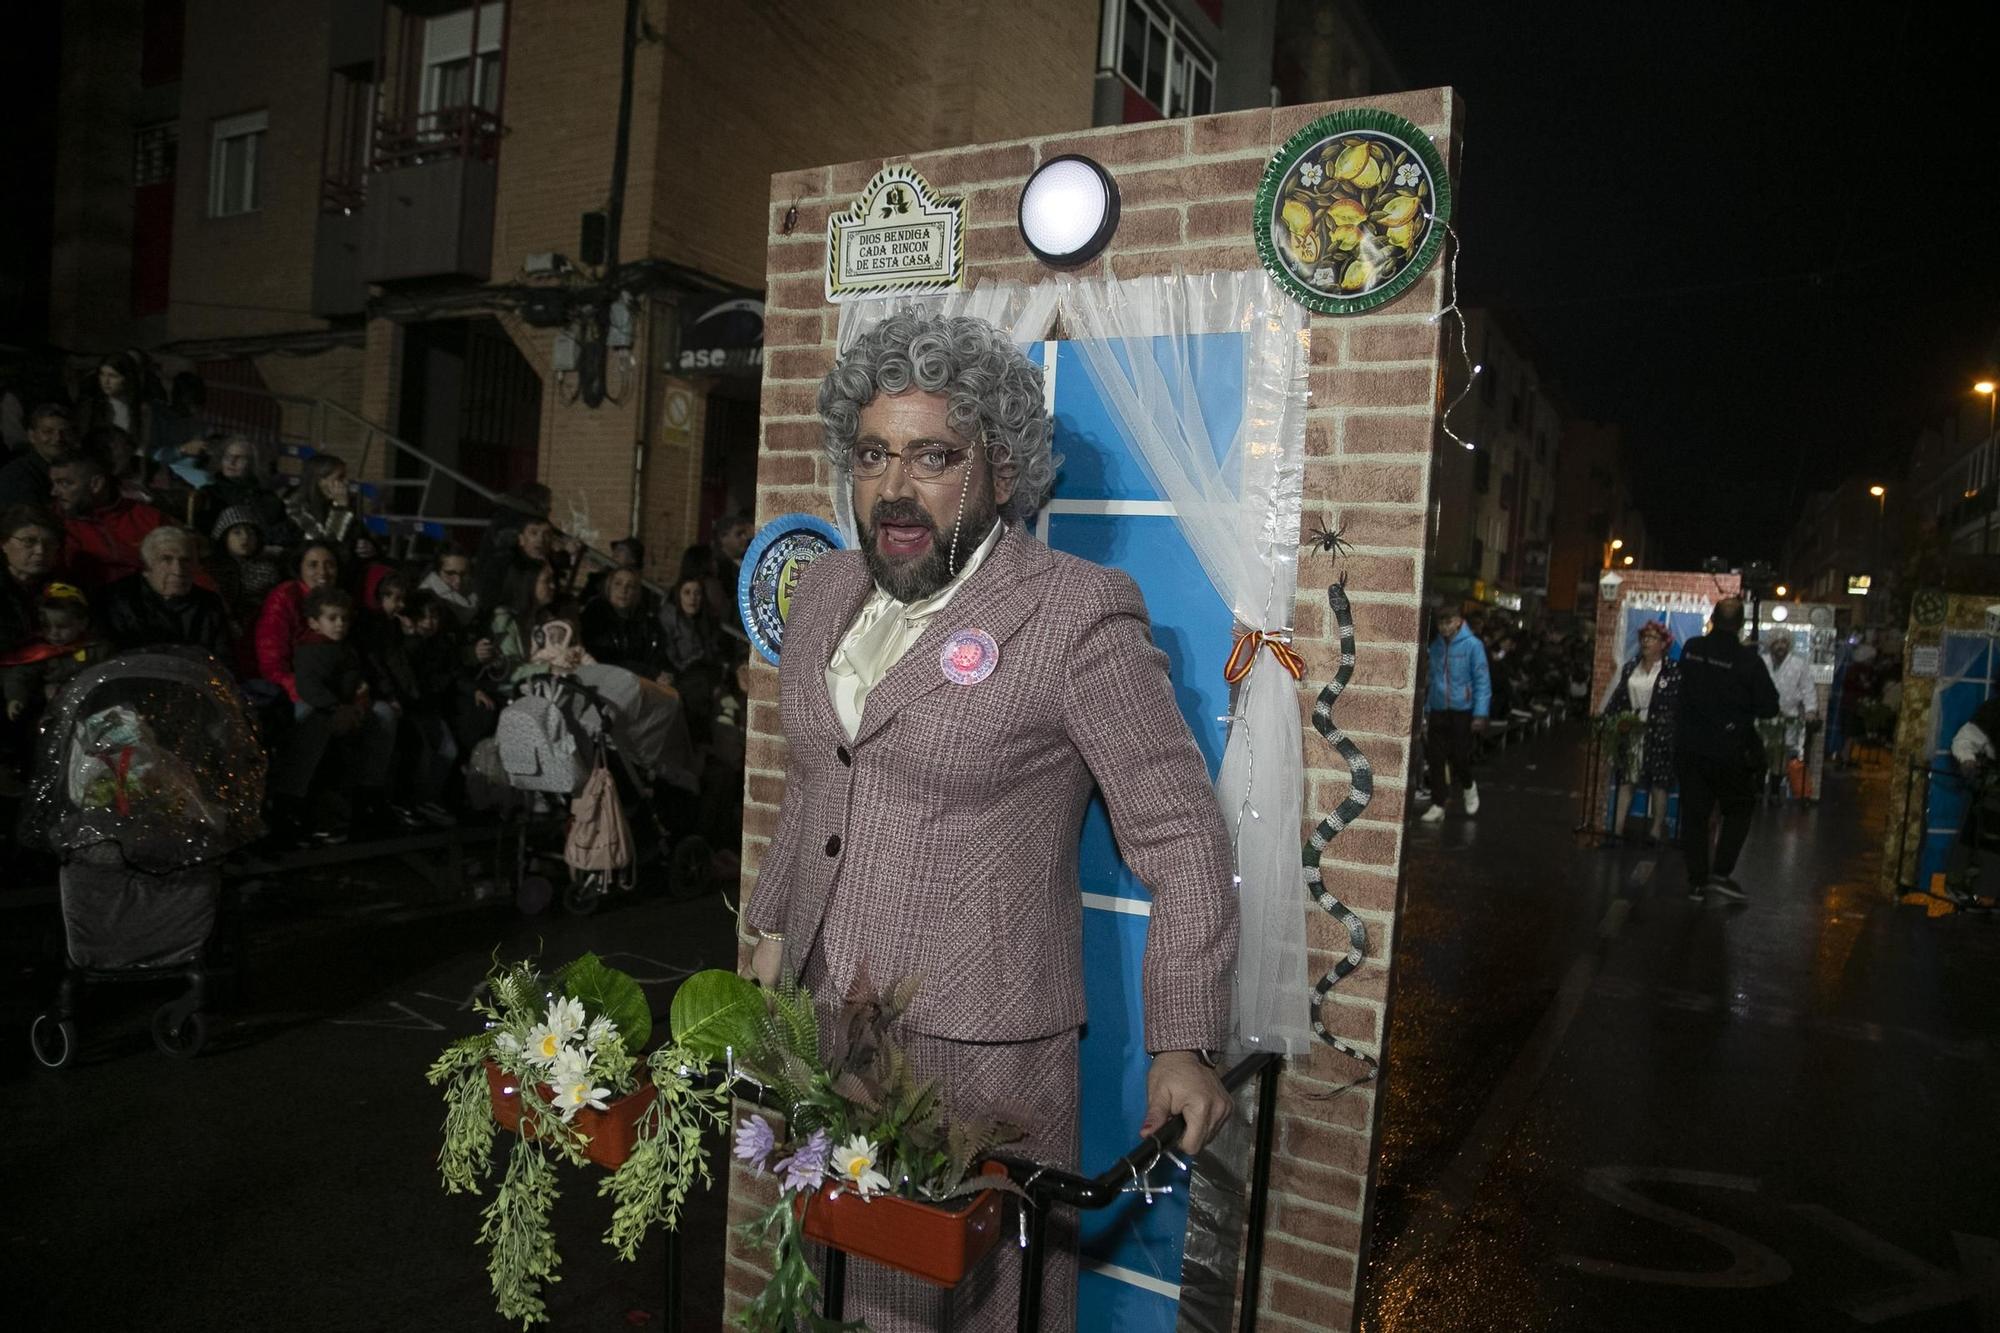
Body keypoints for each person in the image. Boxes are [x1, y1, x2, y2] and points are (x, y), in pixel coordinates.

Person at [741, 310, 1236, 1333]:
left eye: (933, 456)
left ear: (1001, 473)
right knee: (837, 1293)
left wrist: (1183, 1040)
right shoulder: (827, 588)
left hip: (984, 1054)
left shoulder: (1074, 613)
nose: (893, 486)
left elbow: (1181, 836)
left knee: (971, 1310)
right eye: (873, 454)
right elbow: (814, 782)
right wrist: (772, 934)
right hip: (824, 1020)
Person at [273, 586, 400, 844]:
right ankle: (295, 807)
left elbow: (355, 677)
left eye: (343, 618)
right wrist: (337, 707)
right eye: (332, 618)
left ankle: (367, 797)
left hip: (349, 709)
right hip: (325, 711)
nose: (339, 624)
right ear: (314, 622)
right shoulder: (311, 651)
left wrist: (360, 698)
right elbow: (309, 686)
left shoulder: (346, 648)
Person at [1675, 597, 1780, 902]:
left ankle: (1696, 881)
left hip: (1691, 748)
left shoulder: (1692, 649)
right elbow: (1769, 707)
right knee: (1738, 809)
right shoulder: (1748, 661)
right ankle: (1720, 873)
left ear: (1712, 619)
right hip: (1730, 751)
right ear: (1741, 625)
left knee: (1694, 815)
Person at [1599, 619, 1680, 846]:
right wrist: (1610, 718)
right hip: (1633, 728)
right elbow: (1619, 697)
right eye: (1644, 638)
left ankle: (1656, 831)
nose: (1646, 642)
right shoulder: (1630, 667)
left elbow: (1676, 703)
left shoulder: (1672, 671)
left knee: (1659, 782)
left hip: (1660, 731)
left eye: (1652, 638)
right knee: (1628, 778)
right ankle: (1617, 829)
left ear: (1663, 644)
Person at [99, 526, 232, 659]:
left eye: (185, 561)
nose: (178, 570)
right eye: (166, 560)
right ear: (146, 567)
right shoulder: (119, 600)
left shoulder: (209, 604)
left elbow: (223, 660)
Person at [49, 449, 168, 588]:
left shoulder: (149, 518)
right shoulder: (52, 523)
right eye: (54, 483)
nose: (54, 492)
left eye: (64, 484)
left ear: (96, 484)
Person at [1419, 600, 1491, 823]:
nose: (1444, 627)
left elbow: (1482, 680)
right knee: (1436, 758)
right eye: (1441, 622)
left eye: (1448, 621)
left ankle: (1469, 786)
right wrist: (1427, 710)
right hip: (1439, 709)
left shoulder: (1473, 646)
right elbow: (1431, 679)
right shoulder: (1436, 647)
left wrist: (1480, 714)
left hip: (1463, 710)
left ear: (1459, 621)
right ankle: (1438, 803)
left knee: (1460, 757)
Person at [0, 584, 110, 724]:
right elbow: (20, 676)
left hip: (96, 705)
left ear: (82, 623)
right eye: (46, 626)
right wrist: (16, 698)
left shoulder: (98, 648)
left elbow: (109, 672)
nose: (54, 633)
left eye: (62, 626)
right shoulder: (40, 652)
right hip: (58, 712)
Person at [254, 541, 344, 701]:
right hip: (293, 691)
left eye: (329, 565)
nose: (322, 572)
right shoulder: (284, 598)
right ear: (299, 568)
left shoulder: (341, 600)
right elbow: (272, 663)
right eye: (313, 565)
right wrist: (313, 694)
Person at [196, 436, 289, 548]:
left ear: (254, 463)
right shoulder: (209, 494)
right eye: (227, 457)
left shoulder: (268, 499)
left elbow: (280, 535)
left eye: (239, 458)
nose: (231, 462)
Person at [209, 505, 285, 639]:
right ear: (224, 536)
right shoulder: (212, 569)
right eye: (237, 532)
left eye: (250, 532)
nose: (245, 538)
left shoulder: (268, 569)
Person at [581, 567, 671, 679]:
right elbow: (604, 657)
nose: (624, 590)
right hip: (603, 677)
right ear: (609, 588)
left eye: (631, 586)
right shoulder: (596, 613)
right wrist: (651, 673)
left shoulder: (644, 621)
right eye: (618, 584)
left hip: (638, 680)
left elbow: (657, 653)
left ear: (636, 592)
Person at [681, 512, 754, 640]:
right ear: (723, 537)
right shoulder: (716, 569)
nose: (745, 538)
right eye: (738, 534)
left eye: (744, 534)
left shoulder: (748, 562)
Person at [1, 506, 63, 654]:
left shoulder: (64, 587)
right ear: (3, 543)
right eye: (29, 541)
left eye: (50, 543)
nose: (40, 551)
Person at [0, 406, 77, 510]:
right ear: (32, 436)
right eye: (47, 432)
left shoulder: (79, 469)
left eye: (65, 432)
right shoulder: (16, 475)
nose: (58, 438)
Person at [1761, 628, 1817, 768]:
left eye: (1784, 642)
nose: (1781, 646)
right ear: (1771, 644)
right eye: (1777, 642)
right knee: (1763, 754)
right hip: (1764, 719)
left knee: (1784, 758)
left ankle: (1778, 786)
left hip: (1789, 717)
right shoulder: (1762, 661)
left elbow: (1808, 689)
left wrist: (1811, 710)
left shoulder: (1799, 664)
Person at [284, 454, 360, 552]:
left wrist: (369, 546)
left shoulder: (343, 502)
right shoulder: (295, 507)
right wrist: (340, 509)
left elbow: (358, 535)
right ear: (320, 481)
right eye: (340, 477)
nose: (346, 482)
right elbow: (326, 546)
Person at [418, 549, 479, 627]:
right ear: (437, 572)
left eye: (463, 574)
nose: (458, 581)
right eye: (450, 573)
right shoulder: (427, 598)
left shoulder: (471, 585)